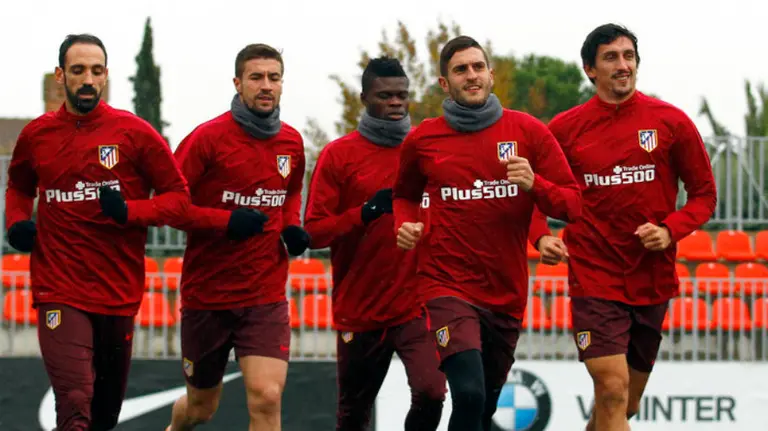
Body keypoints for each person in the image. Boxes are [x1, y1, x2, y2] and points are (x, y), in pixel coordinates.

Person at [392, 35, 581, 431]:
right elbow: (404, 196)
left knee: (482, 409)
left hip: (505, 293)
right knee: (469, 393)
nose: (471, 75)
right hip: (445, 285)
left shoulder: (528, 132)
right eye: (461, 69)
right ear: (445, 83)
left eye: (478, 67)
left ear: (491, 74)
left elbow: (571, 205)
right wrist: (403, 224)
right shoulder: (423, 139)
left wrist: (535, 186)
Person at [4, 34, 190, 430]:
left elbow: (178, 198)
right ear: (61, 76)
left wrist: (129, 212)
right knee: (74, 399)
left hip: (117, 291)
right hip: (59, 287)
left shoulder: (135, 133)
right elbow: (19, 186)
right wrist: (16, 222)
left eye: (96, 70)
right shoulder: (37, 135)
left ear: (106, 76)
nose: (87, 79)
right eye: (77, 71)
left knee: (103, 415)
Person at [546, 24, 717, 431]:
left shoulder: (670, 121)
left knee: (624, 404)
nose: (623, 66)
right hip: (593, 276)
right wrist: (540, 233)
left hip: (651, 278)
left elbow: (704, 195)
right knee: (611, 389)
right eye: (611, 58)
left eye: (628, 56)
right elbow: (530, 189)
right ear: (590, 69)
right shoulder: (565, 130)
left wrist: (670, 229)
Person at [164, 43, 309, 431]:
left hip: (264, 295)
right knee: (200, 408)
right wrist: (223, 221)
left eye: (273, 78)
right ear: (238, 83)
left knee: (267, 396)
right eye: (257, 77)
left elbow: (291, 191)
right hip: (207, 297)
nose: (266, 86)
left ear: (282, 84)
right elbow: (169, 207)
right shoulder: (207, 139)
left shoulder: (292, 143)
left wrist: (290, 225)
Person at [303, 57, 446, 431]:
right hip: (360, 307)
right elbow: (314, 232)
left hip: (417, 304)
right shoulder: (338, 155)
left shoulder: (428, 149)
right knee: (353, 415)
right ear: (364, 97)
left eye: (402, 95)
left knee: (432, 391)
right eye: (386, 96)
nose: (396, 102)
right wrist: (363, 214)